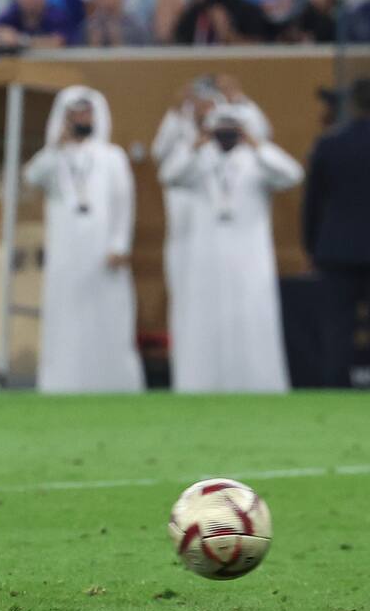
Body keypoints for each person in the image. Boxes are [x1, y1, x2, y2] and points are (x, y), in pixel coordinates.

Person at [158, 103, 303, 393]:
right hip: (206, 258)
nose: (225, 135)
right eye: (220, 129)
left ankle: (258, 382)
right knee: (206, 320)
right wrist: (194, 146)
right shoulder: (199, 162)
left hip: (249, 257)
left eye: (232, 129)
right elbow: (168, 176)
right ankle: (201, 383)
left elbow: (292, 174)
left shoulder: (257, 162)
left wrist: (258, 145)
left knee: (251, 318)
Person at [23, 86, 144, 394]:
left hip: (104, 250)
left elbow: (123, 202)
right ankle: (63, 382)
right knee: (66, 316)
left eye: (87, 112)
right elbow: (32, 177)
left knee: (109, 315)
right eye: (75, 113)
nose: (81, 118)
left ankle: (114, 382)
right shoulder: (54, 158)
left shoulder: (112, 156)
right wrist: (54, 146)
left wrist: (120, 243)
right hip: (65, 251)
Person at [302, 77, 370, 388]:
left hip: (337, 250)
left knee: (336, 330)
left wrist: (312, 248)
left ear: (354, 104)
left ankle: (335, 389)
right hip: (341, 249)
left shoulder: (330, 144)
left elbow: (312, 203)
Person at [78, 0, 149, 46]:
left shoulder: (136, 27)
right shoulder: (86, 28)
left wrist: (118, 42)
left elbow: (148, 53)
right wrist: (93, 46)